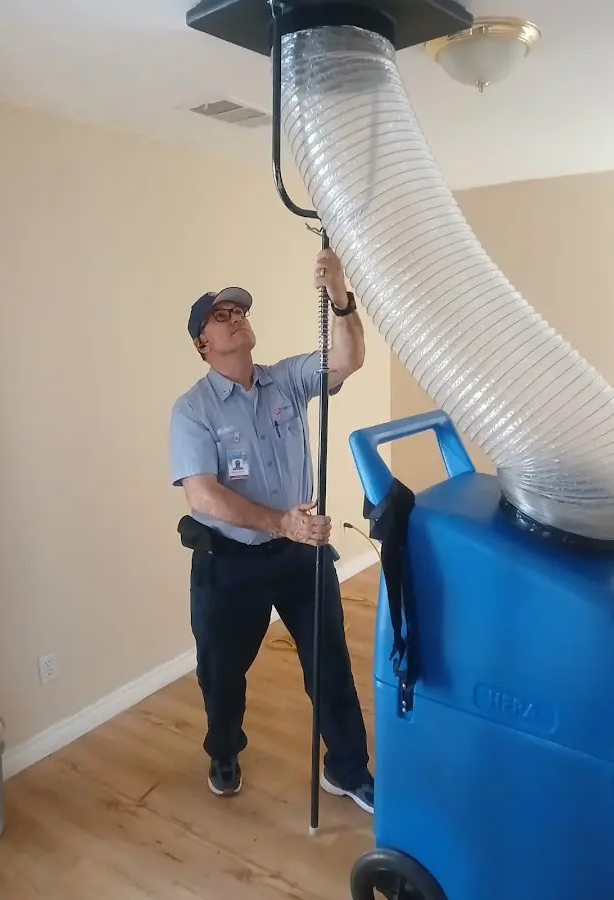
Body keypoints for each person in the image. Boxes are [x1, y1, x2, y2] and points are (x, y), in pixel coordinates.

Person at [168, 248, 374, 814]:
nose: (236, 316)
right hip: (229, 562)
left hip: (299, 550)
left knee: (329, 661)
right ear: (202, 344)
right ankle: (224, 750)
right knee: (222, 674)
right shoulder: (193, 411)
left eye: (239, 309)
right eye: (221, 314)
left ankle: (349, 769)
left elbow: (347, 359)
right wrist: (278, 520)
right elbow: (202, 494)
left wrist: (340, 297)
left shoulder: (285, 380)